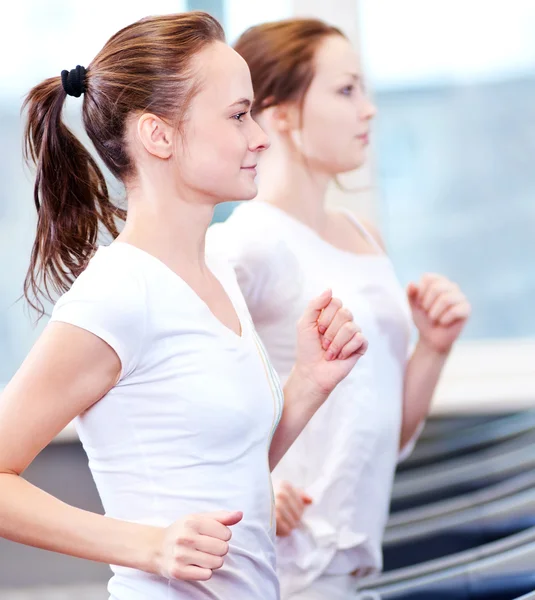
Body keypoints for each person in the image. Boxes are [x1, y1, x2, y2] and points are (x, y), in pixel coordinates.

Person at [0, 13, 368, 600]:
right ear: (159, 136)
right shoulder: (118, 293)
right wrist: (143, 545)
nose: (260, 137)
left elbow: (228, 473)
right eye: (237, 114)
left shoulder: (213, 269)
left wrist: (308, 384)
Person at [208, 18, 471, 600]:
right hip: (282, 570)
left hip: (347, 568)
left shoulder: (362, 234)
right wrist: (245, 480)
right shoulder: (247, 244)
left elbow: (389, 433)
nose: (369, 110)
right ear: (278, 115)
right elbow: (182, 397)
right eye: (345, 90)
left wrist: (433, 345)